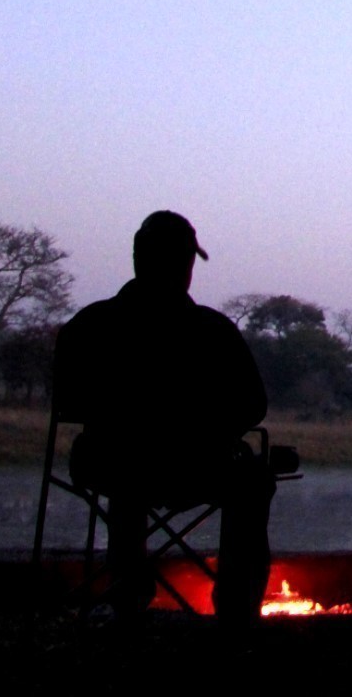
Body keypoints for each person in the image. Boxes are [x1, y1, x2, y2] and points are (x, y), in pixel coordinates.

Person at [54, 211, 274, 620]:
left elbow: (65, 400)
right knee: (252, 480)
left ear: (137, 258)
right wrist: (210, 433)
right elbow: (252, 405)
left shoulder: (89, 325)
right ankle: (236, 613)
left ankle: (128, 595)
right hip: (194, 468)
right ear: (187, 267)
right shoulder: (212, 330)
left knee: (127, 477)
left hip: (105, 463)